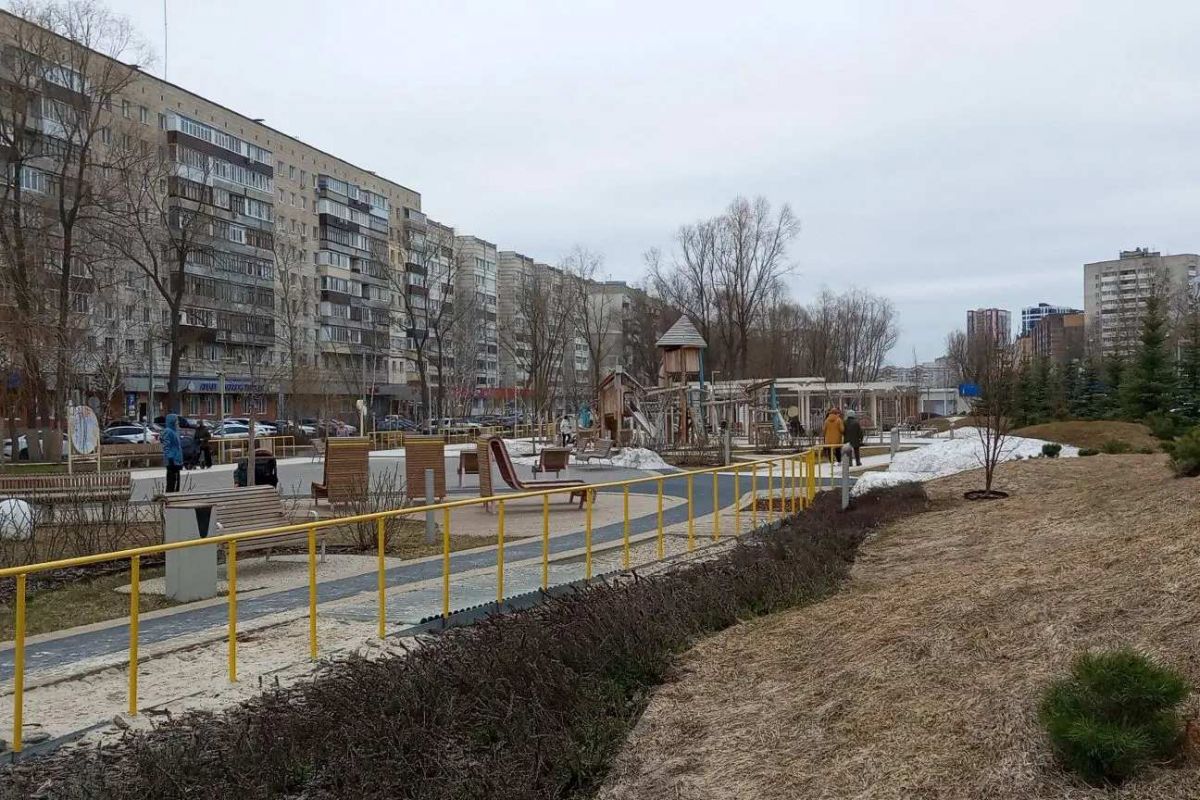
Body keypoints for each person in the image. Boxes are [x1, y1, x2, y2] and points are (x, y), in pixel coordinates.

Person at [162, 413, 183, 493]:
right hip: (172, 460)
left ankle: (175, 496)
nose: (178, 422)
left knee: (176, 482)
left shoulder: (175, 431)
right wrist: (169, 457)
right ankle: (170, 496)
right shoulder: (168, 431)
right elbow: (166, 446)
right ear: (172, 421)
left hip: (177, 459)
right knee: (171, 482)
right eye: (176, 420)